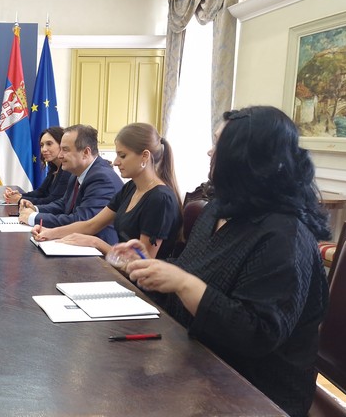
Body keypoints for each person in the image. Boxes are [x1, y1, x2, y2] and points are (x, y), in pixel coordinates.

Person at [111, 106, 331, 417]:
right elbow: (192, 278)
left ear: (248, 157)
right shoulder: (216, 210)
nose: (210, 151)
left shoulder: (285, 236)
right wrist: (147, 268)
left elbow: (257, 335)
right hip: (199, 360)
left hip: (256, 393)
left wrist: (183, 283)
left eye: (219, 144)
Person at [32, 123, 181, 259]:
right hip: (120, 267)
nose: (115, 162)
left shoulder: (160, 198)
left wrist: (96, 243)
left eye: (122, 156)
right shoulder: (130, 188)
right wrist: (49, 232)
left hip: (136, 277)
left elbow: (142, 263)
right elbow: (91, 225)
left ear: (145, 156)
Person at [18, 124, 124, 244]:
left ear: (86, 152)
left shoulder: (102, 178)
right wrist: (35, 209)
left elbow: (82, 221)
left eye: (65, 150)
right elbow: (63, 204)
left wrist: (33, 217)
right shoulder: (76, 173)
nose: (60, 155)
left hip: (99, 250)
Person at [3, 126, 71, 205]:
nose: (44, 149)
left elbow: (52, 201)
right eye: (42, 145)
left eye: (49, 144)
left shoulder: (68, 170)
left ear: (62, 145)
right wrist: (19, 195)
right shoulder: (54, 168)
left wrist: (19, 199)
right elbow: (40, 192)